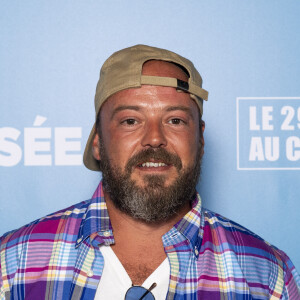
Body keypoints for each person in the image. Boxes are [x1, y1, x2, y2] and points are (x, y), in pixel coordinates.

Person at [0, 44, 299, 300]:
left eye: (176, 121)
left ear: (201, 140)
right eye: (130, 121)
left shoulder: (266, 276)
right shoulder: (14, 264)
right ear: (98, 143)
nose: (154, 138)